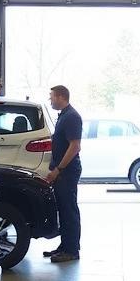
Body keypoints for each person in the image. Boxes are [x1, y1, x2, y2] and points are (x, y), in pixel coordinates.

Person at [44, 85, 82, 264]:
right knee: (63, 209)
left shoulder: (72, 117)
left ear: (61, 97)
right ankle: (65, 245)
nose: (50, 100)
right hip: (61, 171)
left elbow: (75, 146)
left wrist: (58, 169)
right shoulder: (64, 116)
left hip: (67, 171)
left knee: (69, 210)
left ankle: (72, 250)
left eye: (51, 97)